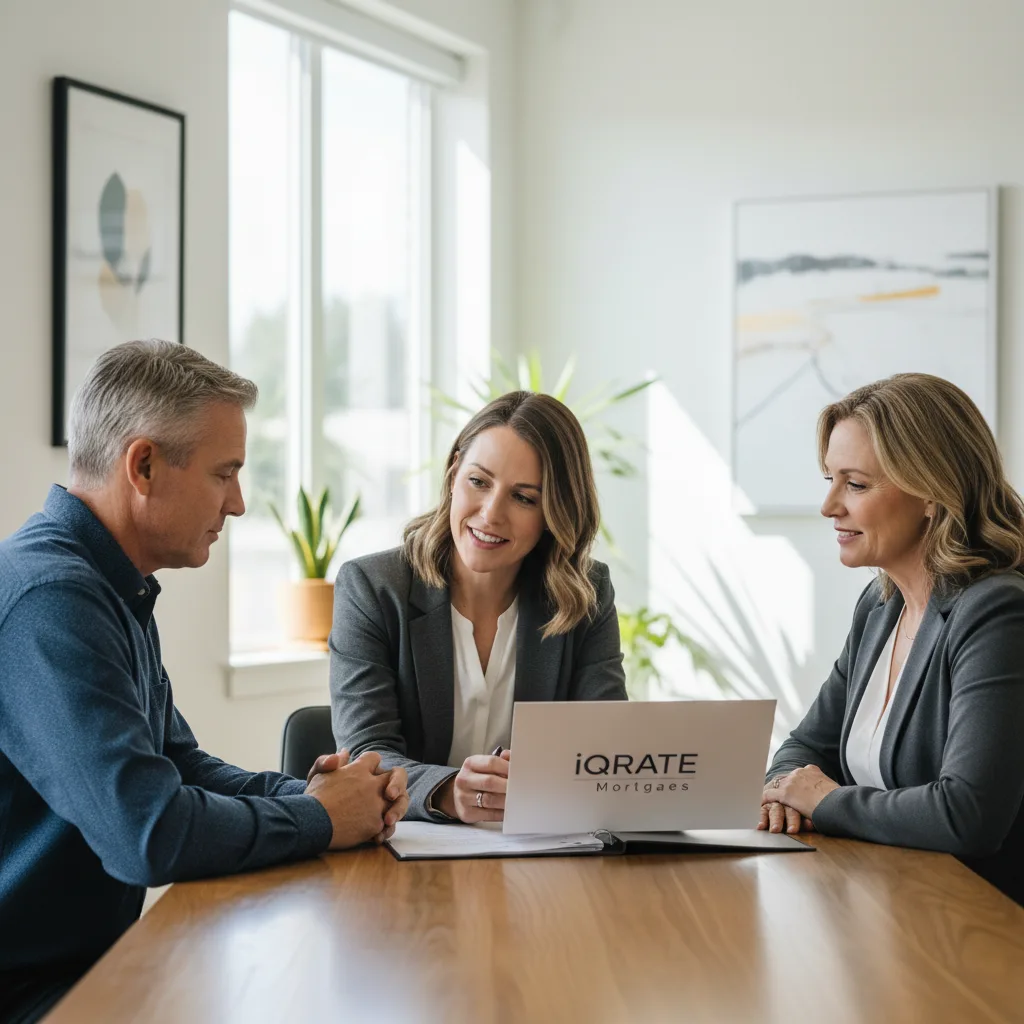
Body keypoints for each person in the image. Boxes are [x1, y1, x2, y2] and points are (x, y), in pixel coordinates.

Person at [0, 340, 409, 1024]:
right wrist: (319, 817)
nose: (240, 503)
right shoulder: (53, 600)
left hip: (89, 970)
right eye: (226, 473)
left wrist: (329, 794)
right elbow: (150, 833)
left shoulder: (109, 585)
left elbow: (178, 766)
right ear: (145, 464)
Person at [760, 373, 1024, 904]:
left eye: (855, 484)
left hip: (975, 926)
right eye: (831, 479)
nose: (829, 505)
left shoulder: (998, 611)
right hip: (886, 899)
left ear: (932, 492)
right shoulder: (881, 606)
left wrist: (825, 801)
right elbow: (806, 747)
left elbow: (966, 814)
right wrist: (787, 794)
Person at [330, 390, 627, 823]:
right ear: (454, 475)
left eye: (524, 497)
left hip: (542, 861)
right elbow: (367, 756)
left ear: (554, 512)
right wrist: (449, 792)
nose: (490, 514)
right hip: (402, 860)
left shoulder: (587, 593)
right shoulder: (373, 589)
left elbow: (605, 750)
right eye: (479, 481)